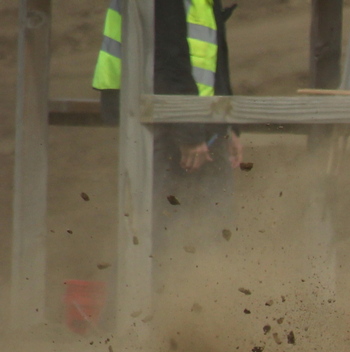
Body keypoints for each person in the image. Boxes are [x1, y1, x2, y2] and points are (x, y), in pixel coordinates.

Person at [93, 0, 244, 267]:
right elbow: (166, 56)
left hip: (197, 122)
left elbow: (213, 54)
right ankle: (154, 292)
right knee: (159, 232)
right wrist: (189, 131)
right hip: (163, 123)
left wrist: (226, 125)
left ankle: (201, 289)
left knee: (212, 230)